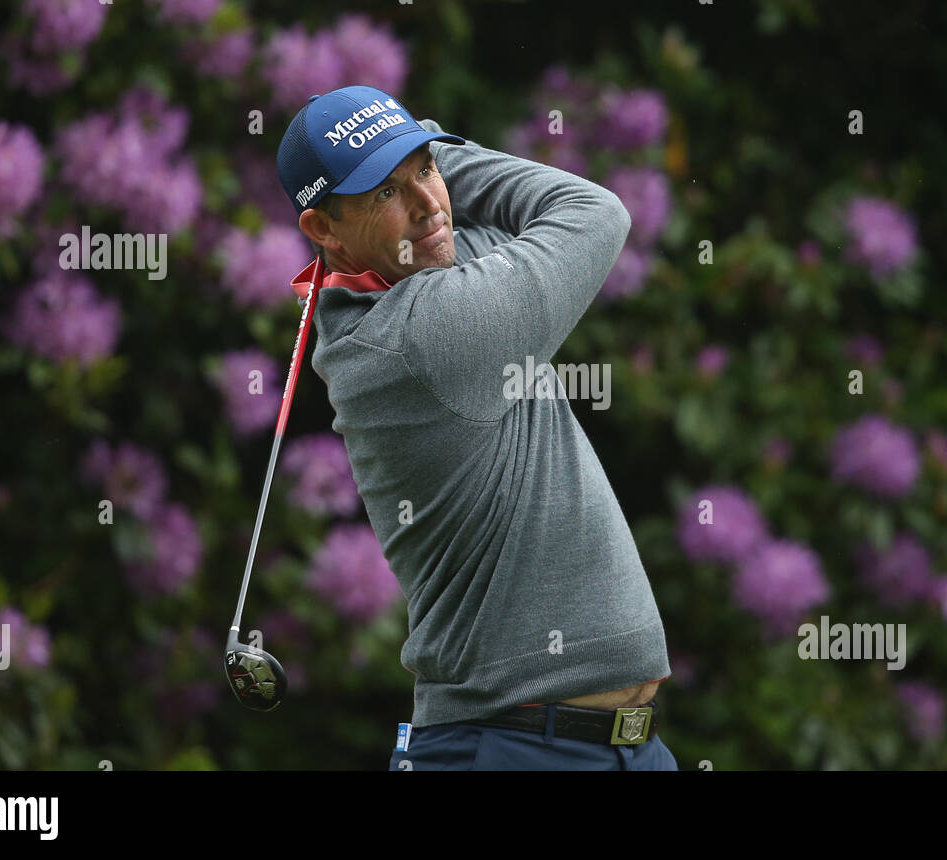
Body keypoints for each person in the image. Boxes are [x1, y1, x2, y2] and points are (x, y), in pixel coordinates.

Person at [276, 85, 676, 770]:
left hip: (617, 749)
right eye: (384, 193)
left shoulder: (423, 269)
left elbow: (469, 226)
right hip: (514, 749)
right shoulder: (424, 338)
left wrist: (403, 154)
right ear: (323, 231)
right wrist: (426, 143)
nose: (429, 205)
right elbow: (593, 213)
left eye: (429, 169)